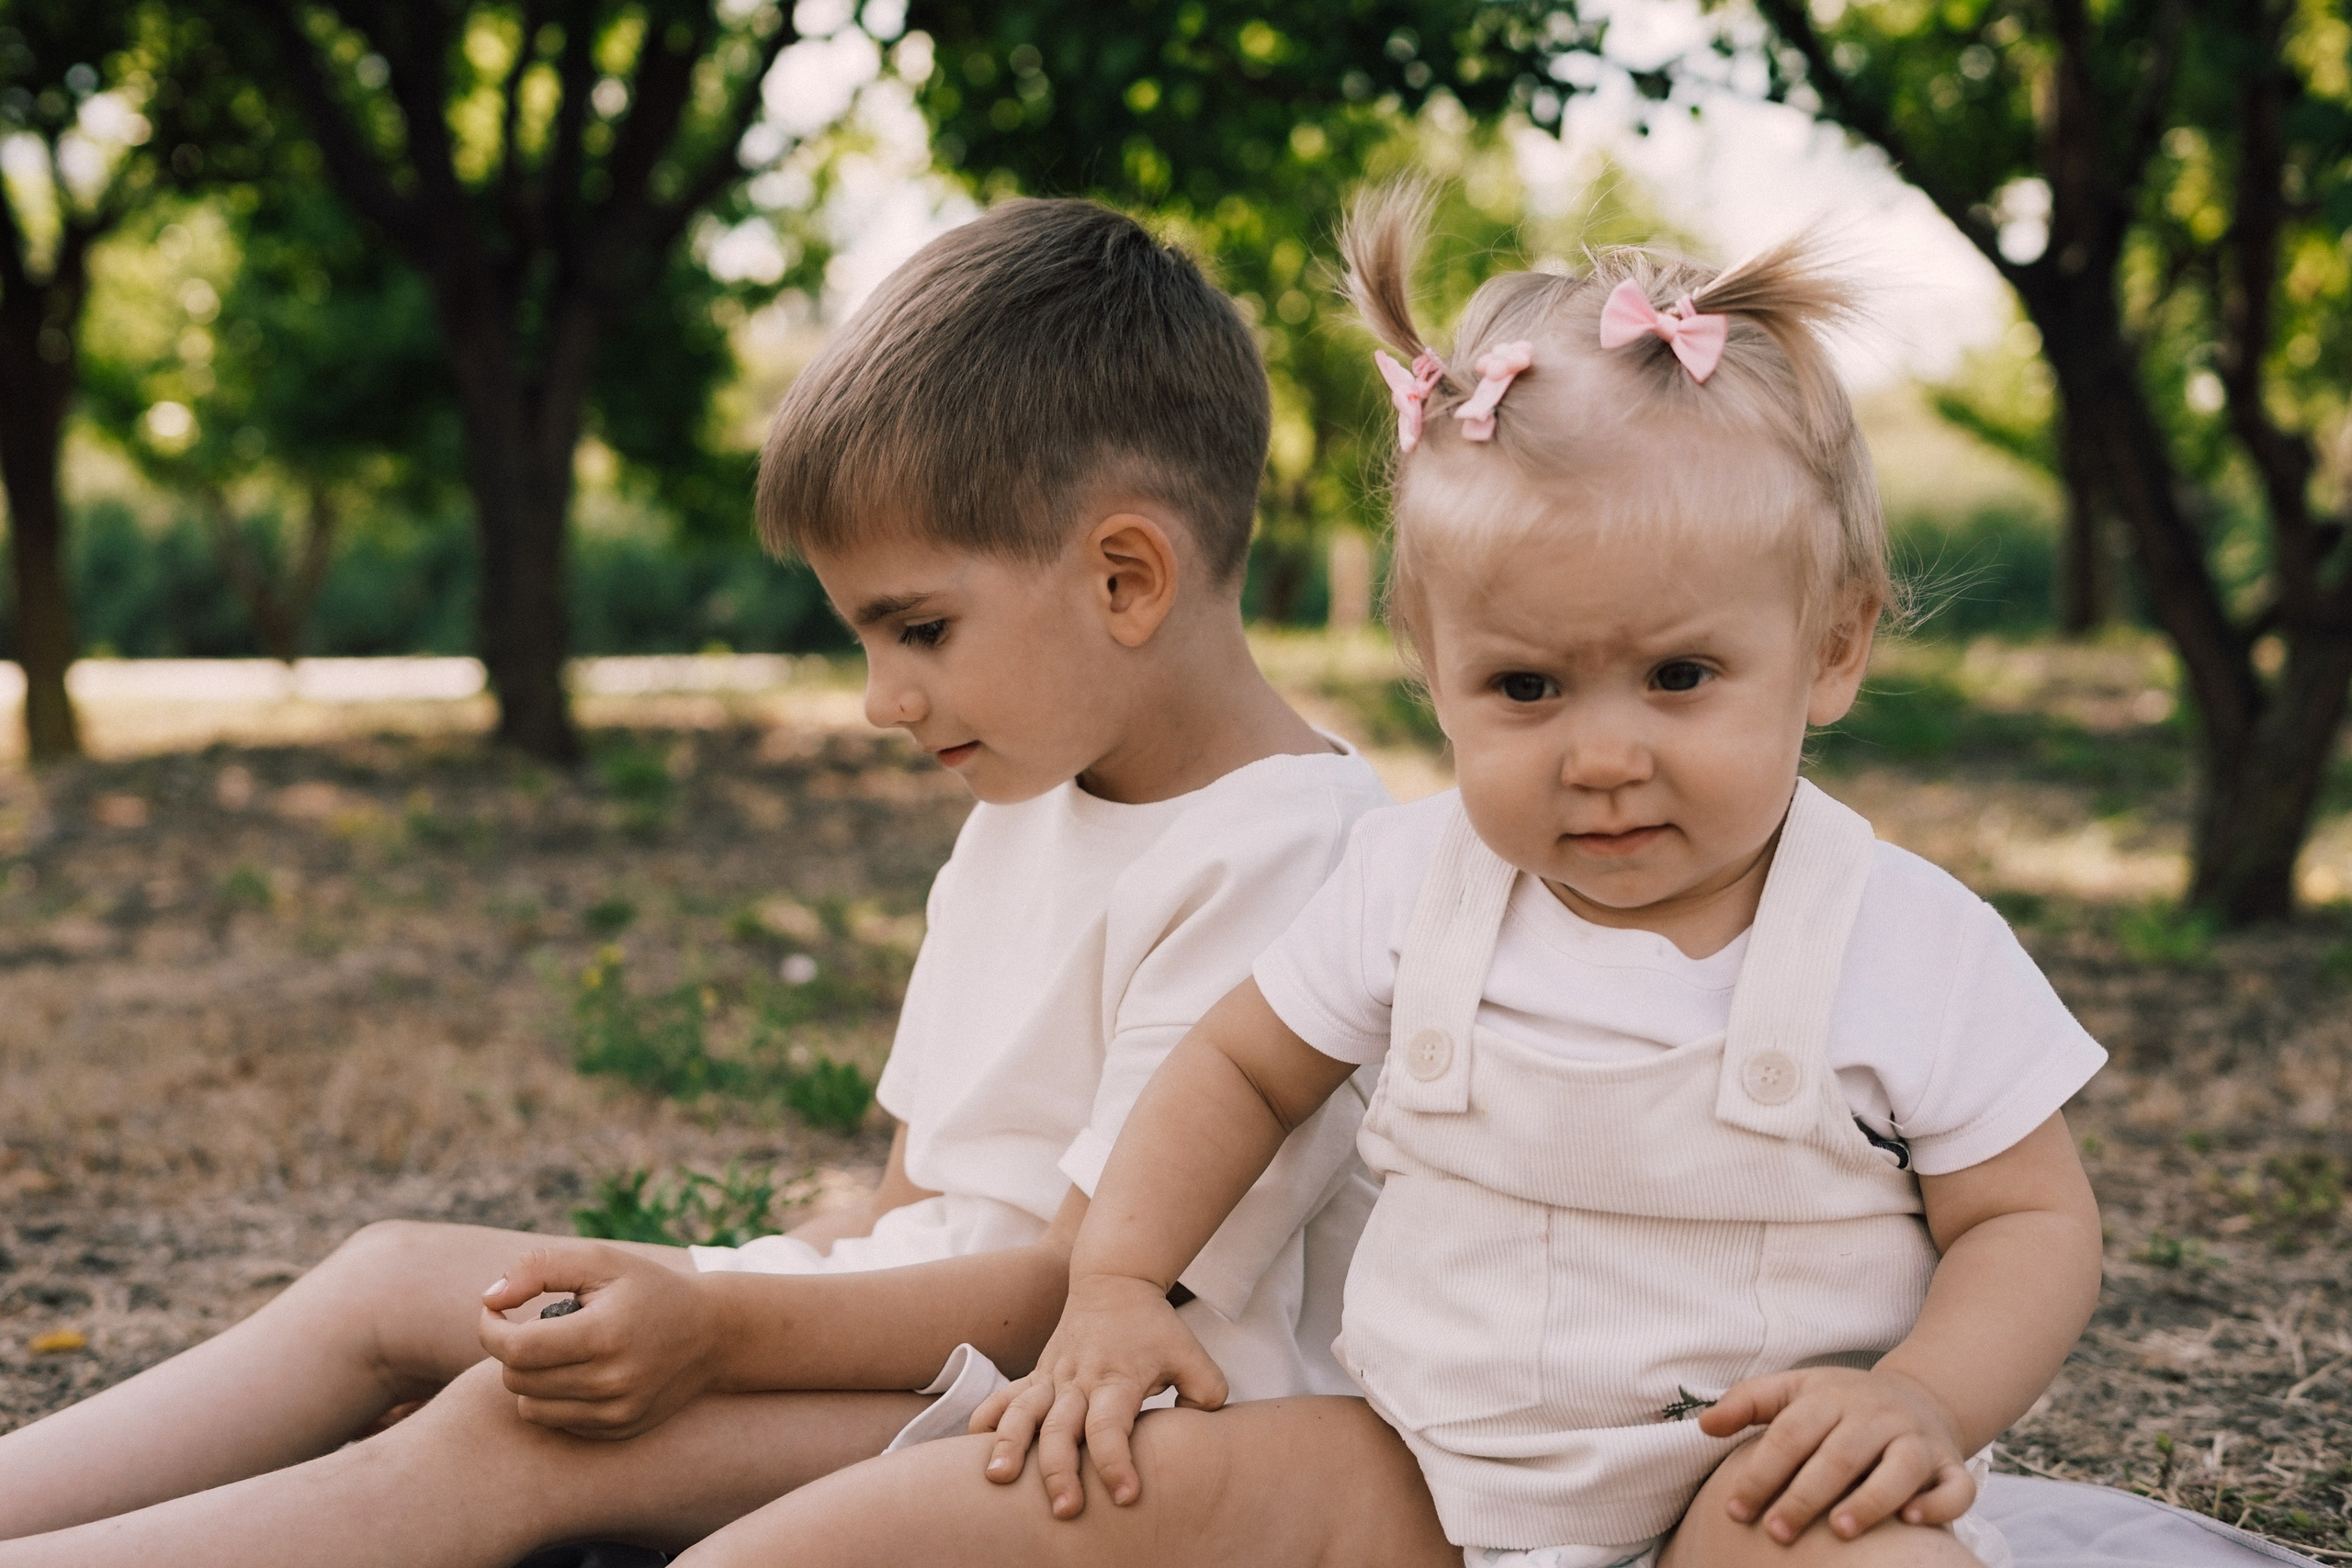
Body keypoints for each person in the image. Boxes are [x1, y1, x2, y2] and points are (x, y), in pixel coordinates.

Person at [668, 187, 2109, 1568]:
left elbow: (2030, 1221)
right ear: (1434, 673)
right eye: (1527, 686)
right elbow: (1236, 1073)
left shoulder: (1907, 939)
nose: (1604, 754)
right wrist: (1117, 1286)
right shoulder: (1407, 880)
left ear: (1836, 646)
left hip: (1757, 1488)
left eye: (1680, 677)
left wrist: (1923, 1396)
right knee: (1038, 1498)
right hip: (1408, 1473)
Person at [0, 198, 1391, 1568]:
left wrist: (712, 1330)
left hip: (1088, 1415)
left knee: (513, 1428)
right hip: (920, 1344)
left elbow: (1065, 1290)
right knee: (390, 1279)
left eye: (918, 628)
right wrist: (689, 1299)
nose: (878, 701)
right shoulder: (1032, 787)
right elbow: (909, 1206)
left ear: (1127, 576)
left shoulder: (1290, 853)